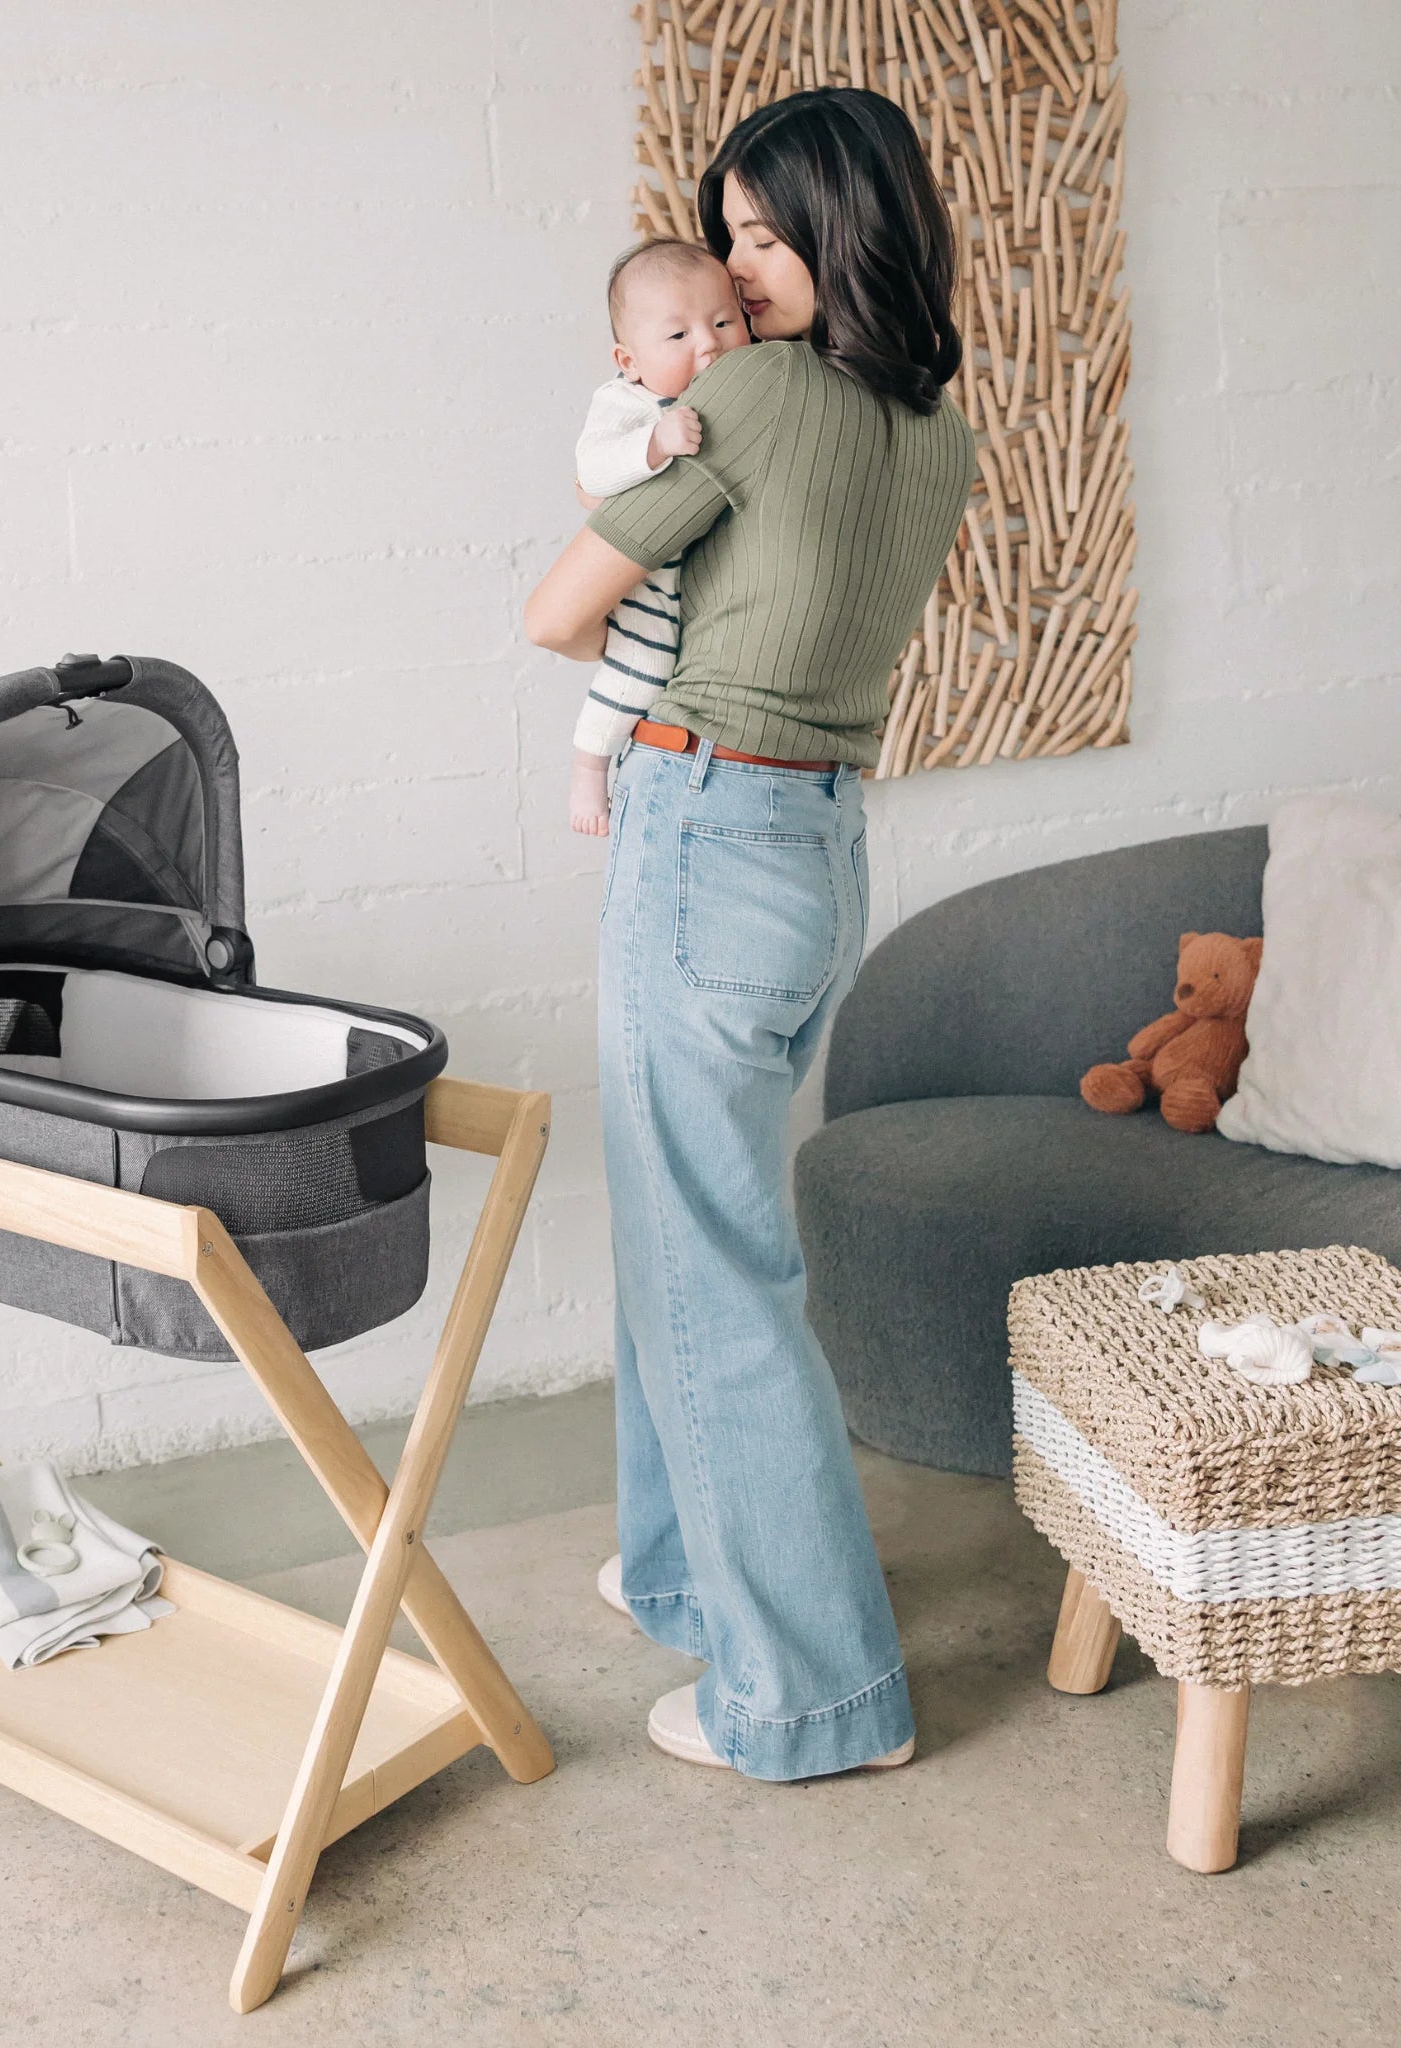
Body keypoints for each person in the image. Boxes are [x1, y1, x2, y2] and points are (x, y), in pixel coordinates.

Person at [524, 88, 977, 1780]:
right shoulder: (938, 428)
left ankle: (805, 1699)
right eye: (723, 239)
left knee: (708, 1267)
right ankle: (681, 1578)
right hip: (817, 847)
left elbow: (555, 609)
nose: (734, 270)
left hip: (705, 826)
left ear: (841, 231)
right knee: (687, 1231)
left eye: (765, 237)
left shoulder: (748, 396)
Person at [568, 240, 751, 837]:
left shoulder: (735, 388)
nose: (708, 342)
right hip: (640, 575)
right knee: (642, 664)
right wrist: (654, 445)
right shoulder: (627, 401)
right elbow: (590, 472)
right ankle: (589, 764)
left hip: (690, 576)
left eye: (724, 321)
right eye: (678, 336)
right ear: (629, 359)